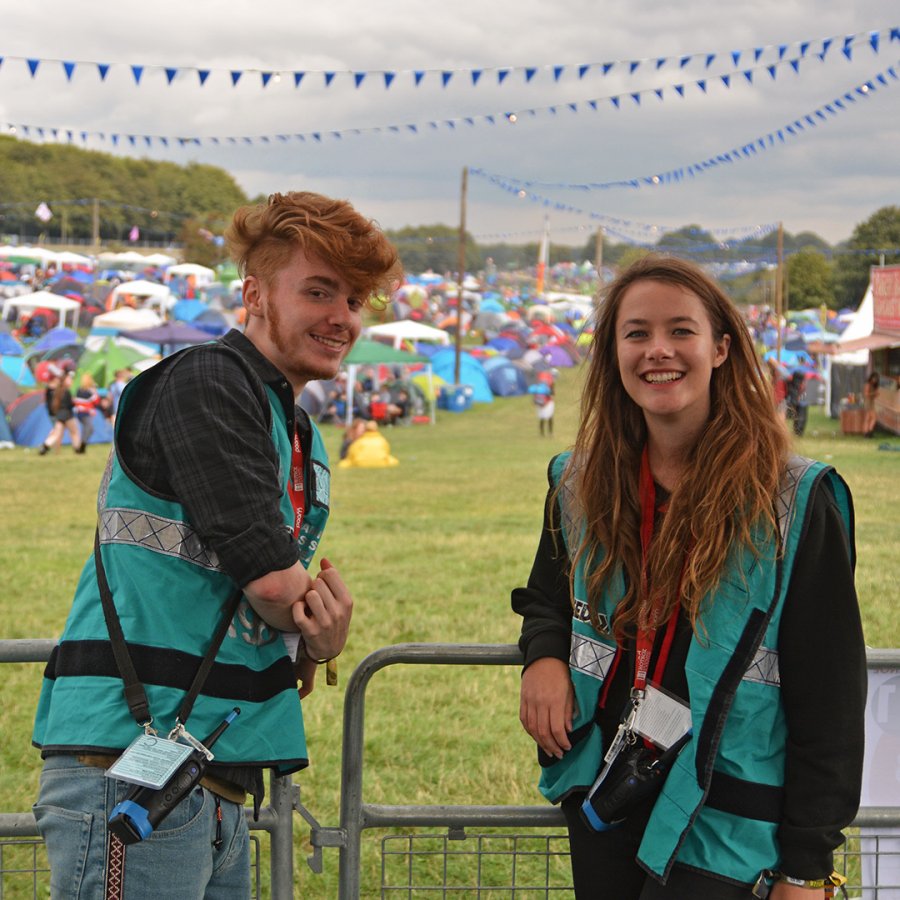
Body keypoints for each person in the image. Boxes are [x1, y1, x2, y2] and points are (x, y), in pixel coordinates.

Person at [32, 191, 402, 899]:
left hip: (206, 768)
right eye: (319, 291)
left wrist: (310, 631)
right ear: (255, 294)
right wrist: (316, 623)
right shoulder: (210, 380)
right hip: (131, 762)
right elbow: (272, 581)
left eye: (355, 300)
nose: (342, 318)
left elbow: (281, 600)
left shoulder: (292, 423)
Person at [512, 256, 865, 900]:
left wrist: (807, 865)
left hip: (730, 813)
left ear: (721, 348)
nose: (658, 351)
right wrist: (542, 658)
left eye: (681, 330)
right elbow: (546, 595)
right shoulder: (576, 480)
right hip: (610, 789)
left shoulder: (795, 496)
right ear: (612, 351)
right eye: (636, 333)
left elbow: (832, 696)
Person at [39, 368, 85, 455]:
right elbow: (68, 404)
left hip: (59, 415)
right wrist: (74, 403)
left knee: (56, 433)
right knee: (74, 432)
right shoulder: (66, 391)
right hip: (67, 415)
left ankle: (45, 446)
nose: (70, 381)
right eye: (69, 379)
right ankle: (77, 448)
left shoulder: (57, 391)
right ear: (65, 381)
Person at [73, 372, 101, 448]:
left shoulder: (79, 390)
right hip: (85, 412)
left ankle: (82, 444)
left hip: (80, 412)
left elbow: (77, 401)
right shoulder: (90, 391)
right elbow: (96, 401)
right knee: (89, 428)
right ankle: (82, 445)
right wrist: (95, 392)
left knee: (86, 428)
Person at [862, 371, 880, 438]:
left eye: (876, 379)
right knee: (874, 417)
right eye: (874, 378)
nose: (875, 380)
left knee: (868, 418)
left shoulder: (873, 385)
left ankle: (867, 432)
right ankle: (869, 431)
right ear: (871, 378)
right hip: (868, 402)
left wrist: (875, 395)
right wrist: (874, 394)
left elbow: (872, 395)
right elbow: (866, 394)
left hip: (871, 402)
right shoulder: (868, 384)